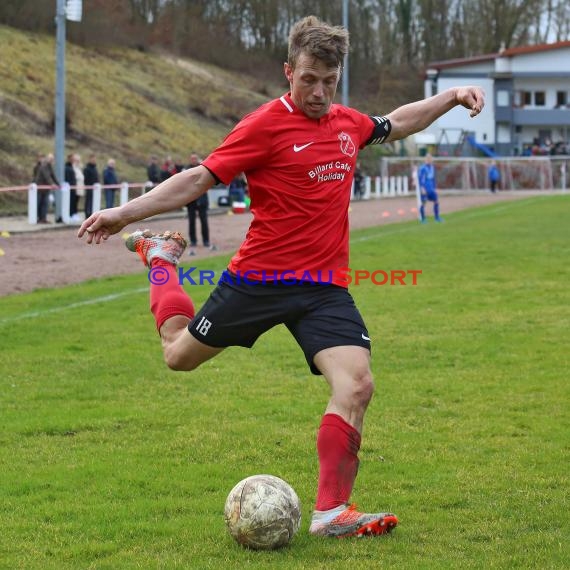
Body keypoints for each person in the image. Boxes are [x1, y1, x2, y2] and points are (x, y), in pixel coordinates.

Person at [78, 15, 485, 539]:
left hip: (323, 289)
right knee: (178, 355)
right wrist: (125, 214)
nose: (318, 92)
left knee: (358, 385)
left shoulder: (346, 125)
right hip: (258, 281)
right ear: (288, 72)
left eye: (329, 82)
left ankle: (331, 511)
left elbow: (396, 122)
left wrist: (452, 94)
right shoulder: (264, 124)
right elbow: (199, 178)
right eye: (309, 79)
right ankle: (160, 259)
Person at [185, 152, 212, 251]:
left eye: (195, 158)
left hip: (202, 198)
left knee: (204, 221)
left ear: (197, 159)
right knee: (191, 221)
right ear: (190, 159)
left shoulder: (203, 168)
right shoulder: (186, 170)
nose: (193, 160)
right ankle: (193, 241)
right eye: (192, 158)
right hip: (191, 199)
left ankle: (206, 240)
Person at [35, 153, 59, 224]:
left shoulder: (49, 166)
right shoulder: (44, 166)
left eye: (52, 159)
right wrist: (52, 184)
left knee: (45, 204)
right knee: (39, 204)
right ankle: (39, 218)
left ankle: (43, 218)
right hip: (40, 188)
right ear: (47, 159)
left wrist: (59, 184)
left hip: (46, 189)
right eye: (51, 159)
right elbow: (47, 176)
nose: (52, 160)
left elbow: (53, 176)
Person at [418, 154, 442, 223]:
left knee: (436, 201)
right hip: (425, 189)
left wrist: (435, 188)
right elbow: (420, 179)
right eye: (428, 159)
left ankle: (437, 218)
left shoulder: (432, 168)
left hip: (431, 188)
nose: (429, 160)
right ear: (425, 160)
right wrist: (422, 188)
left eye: (430, 159)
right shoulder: (422, 168)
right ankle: (423, 219)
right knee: (424, 203)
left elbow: (433, 179)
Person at [83, 154, 99, 219]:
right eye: (93, 159)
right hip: (89, 188)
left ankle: (92, 213)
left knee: (93, 201)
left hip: (95, 188)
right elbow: (86, 179)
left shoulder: (95, 168)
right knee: (88, 201)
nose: (94, 160)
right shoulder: (87, 169)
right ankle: (87, 214)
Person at [72, 154, 85, 222]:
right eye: (77, 160)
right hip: (75, 187)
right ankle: (74, 214)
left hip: (79, 187)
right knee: (74, 201)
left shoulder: (79, 168)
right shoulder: (73, 167)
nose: (78, 162)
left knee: (77, 201)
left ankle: (75, 213)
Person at [65, 153, 77, 220]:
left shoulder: (71, 167)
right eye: (72, 159)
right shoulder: (67, 167)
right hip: (69, 188)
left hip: (72, 188)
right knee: (69, 202)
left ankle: (71, 214)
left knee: (72, 202)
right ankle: (69, 214)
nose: (73, 160)